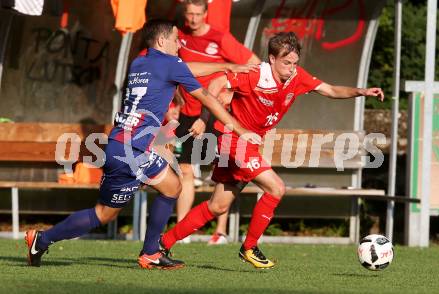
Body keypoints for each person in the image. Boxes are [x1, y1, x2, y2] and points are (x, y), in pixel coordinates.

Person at [24, 19, 261, 270]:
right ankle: (144, 252)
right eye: (175, 39)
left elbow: (185, 68)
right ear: (162, 41)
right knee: (139, 200)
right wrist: (240, 129)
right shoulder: (171, 64)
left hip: (121, 146)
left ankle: (48, 239)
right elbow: (209, 99)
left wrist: (225, 65)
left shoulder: (140, 62)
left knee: (138, 200)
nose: (180, 43)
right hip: (132, 150)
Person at [159, 31, 384, 269]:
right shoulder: (255, 74)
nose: (291, 68)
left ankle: (162, 244)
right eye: (286, 63)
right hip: (232, 140)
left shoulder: (297, 77)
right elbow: (215, 83)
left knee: (218, 206)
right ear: (272, 59)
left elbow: (329, 90)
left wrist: (360, 92)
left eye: (295, 63)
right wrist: (204, 118)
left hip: (245, 144)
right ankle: (249, 248)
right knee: (276, 188)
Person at [175, 0, 261, 245]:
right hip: (188, 113)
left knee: (221, 172)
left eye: (197, 14)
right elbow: (169, 69)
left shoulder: (220, 37)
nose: (192, 19)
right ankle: (183, 228)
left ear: (205, 14)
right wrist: (174, 98)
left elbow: (254, 65)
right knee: (185, 170)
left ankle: (220, 231)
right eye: (189, 14)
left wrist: (231, 92)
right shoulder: (178, 37)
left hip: (218, 113)